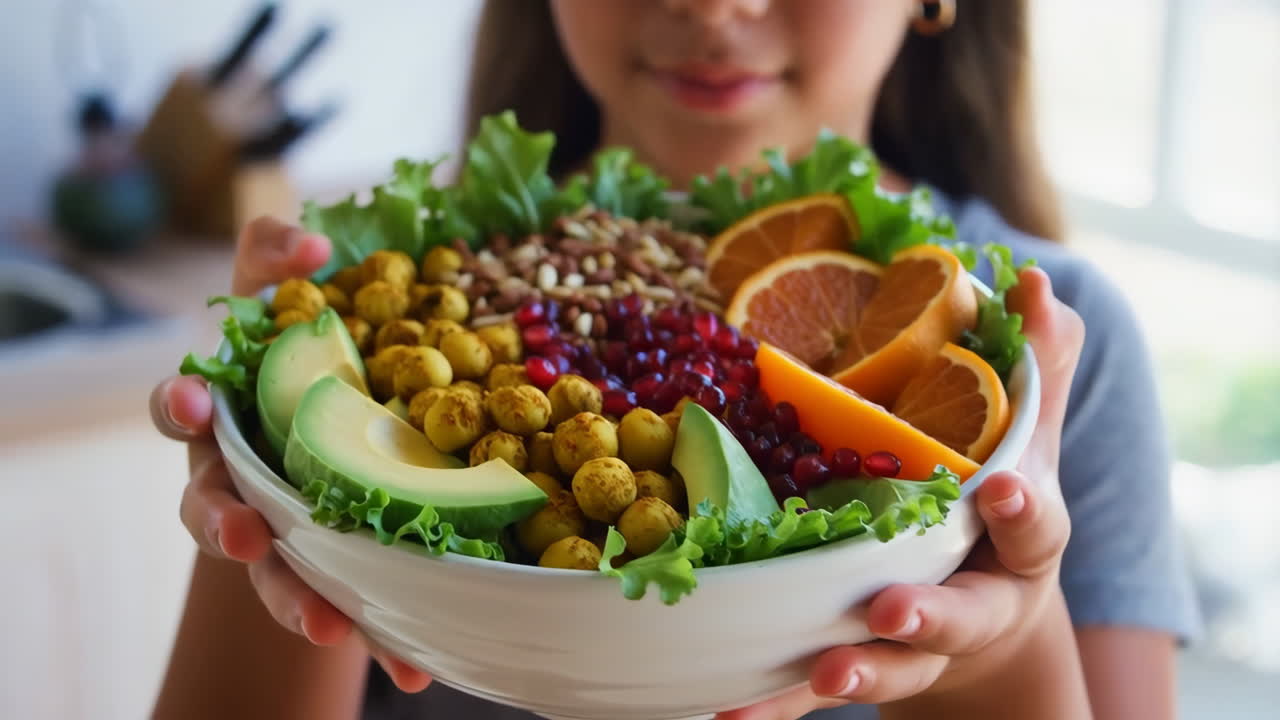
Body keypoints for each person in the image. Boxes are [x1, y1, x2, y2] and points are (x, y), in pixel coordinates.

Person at [149, 1, 1199, 718]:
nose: (709, 1)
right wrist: (278, 477)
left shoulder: (1053, 354)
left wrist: (999, 651)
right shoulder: (401, 285)